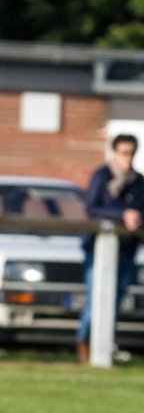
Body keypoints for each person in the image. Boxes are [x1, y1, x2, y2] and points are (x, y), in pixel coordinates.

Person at [77, 134, 143, 364]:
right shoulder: (102, 176)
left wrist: (137, 217)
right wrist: (121, 215)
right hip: (97, 247)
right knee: (97, 297)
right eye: (124, 153)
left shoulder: (139, 181)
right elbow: (91, 208)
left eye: (132, 153)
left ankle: (106, 345)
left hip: (125, 249)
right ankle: (85, 344)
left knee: (115, 299)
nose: (128, 158)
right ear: (114, 152)